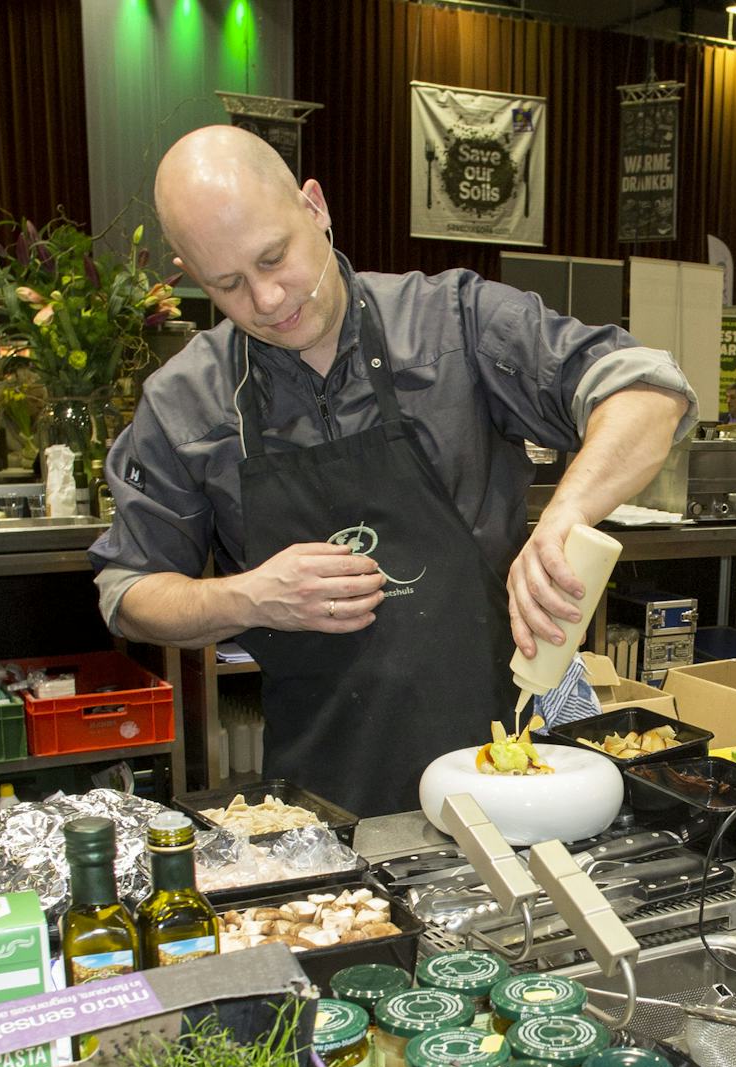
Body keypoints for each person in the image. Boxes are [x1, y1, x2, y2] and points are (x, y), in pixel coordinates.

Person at [88, 125, 696, 817]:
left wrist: (565, 515)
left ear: (313, 207)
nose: (266, 300)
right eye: (228, 283)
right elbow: (129, 591)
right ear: (192, 274)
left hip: (508, 772)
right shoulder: (183, 402)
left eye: (274, 258)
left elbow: (647, 389)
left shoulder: (455, 324)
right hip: (323, 797)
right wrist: (249, 598)